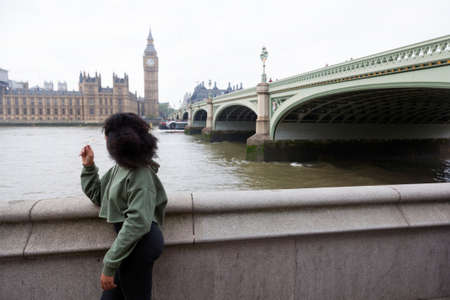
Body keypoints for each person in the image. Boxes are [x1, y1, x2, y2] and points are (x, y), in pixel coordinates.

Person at [80, 112, 168, 300]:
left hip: (141, 246)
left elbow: (138, 222)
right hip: (129, 247)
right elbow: (98, 196)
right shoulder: (119, 168)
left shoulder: (141, 174)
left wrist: (110, 263)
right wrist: (89, 167)